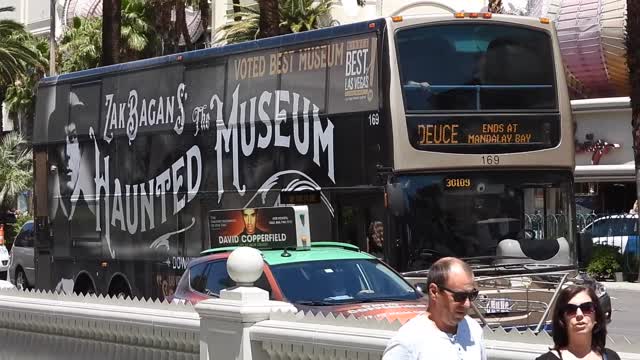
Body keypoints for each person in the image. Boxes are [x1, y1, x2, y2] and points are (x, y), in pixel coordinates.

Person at [383, 257, 486, 360]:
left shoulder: (473, 330)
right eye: (460, 296)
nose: (467, 304)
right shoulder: (408, 341)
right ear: (434, 292)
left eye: (472, 295)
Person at [535, 285, 620, 360]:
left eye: (587, 308)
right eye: (571, 310)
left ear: (596, 316)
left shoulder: (612, 357)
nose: (579, 315)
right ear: (562, 319)